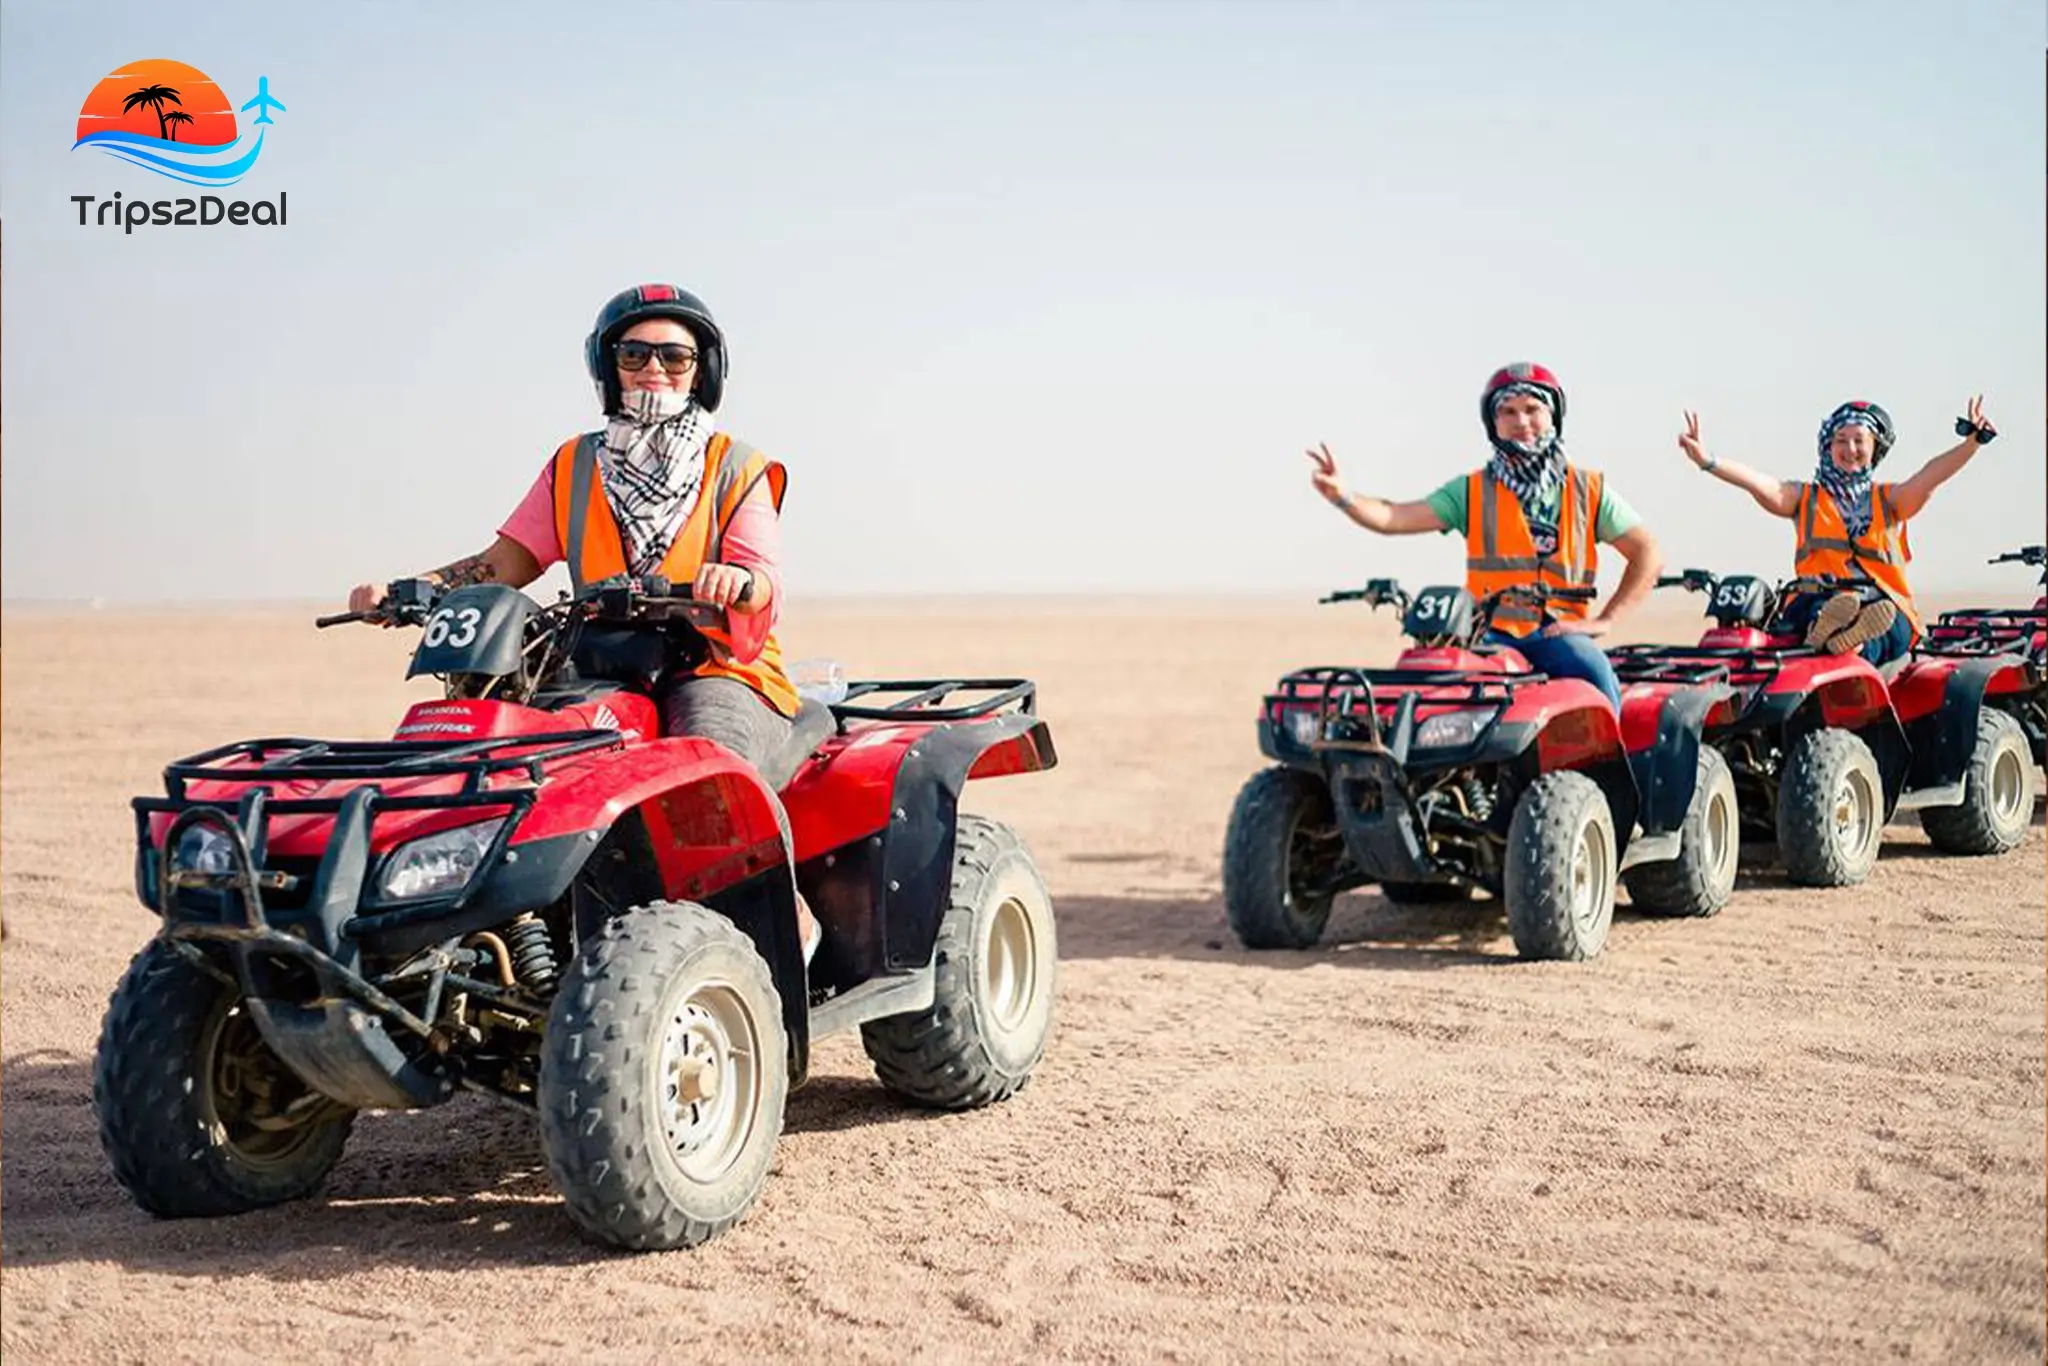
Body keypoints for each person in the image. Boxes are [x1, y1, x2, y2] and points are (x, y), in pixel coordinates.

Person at [346, 282, 821, 961]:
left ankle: (782, 921)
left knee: (712, 771)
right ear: (607, 366)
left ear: (704, 370)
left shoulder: (736, 466)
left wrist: (736, 582)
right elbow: (504, 562)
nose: (653, 369)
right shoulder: (576, 463)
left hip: (719, 666)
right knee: (517, 757)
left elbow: (761, 576)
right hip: (601, 660)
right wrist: (414, 589)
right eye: (633, 353)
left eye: (674, 357)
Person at [1304, 362, 1663, 711]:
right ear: (1493, 424)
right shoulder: (1472, 490)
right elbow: (1395, 517)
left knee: (1594, 672)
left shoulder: (1588, 490)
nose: (1521, 421)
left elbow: (1646, 552)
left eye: (1532, 409)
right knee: (1426, 688)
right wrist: (1344, 497)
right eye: (1507, 411)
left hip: (1558, 632)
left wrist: (1606, 620)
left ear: (1553, 415)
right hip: (1487, 634)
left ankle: (1617, 770)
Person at [1675, 397, 1998, 666]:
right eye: (1841, 440)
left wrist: (1972, 444)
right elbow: (1760, 483)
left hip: (1881, 601)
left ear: (1875, 448)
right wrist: (1708, 461)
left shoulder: (1889, 499)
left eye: (1860, 440)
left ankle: (1851, 644)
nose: (1850, 448)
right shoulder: (1804, 498)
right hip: (1819, 597)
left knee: (1895, 628)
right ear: (1827, 447)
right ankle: (1826, 630)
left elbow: (1931, 476)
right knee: (1815, 611)